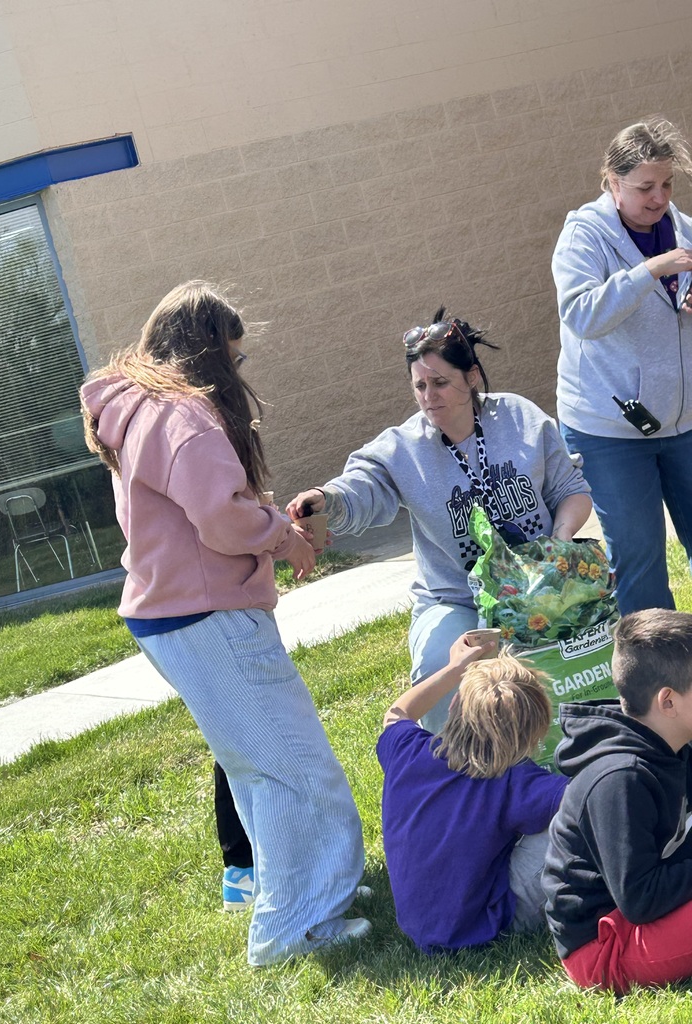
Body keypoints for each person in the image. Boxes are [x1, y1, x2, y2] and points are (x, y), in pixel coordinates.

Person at [79, 280, 368, 966]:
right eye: (232, 359)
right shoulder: (181, 415)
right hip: (209, 615)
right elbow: (221, 519)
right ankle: (294, 927)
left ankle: (292, 913)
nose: (238, 374)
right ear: (206, 352)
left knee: (260, 770)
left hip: (172, 618)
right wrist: (282, 536)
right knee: (300, 770)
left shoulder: (137, 408)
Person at [287, 308, 592, 733]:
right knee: (438, 670)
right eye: (420, 385)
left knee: (576, 673)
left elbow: (571, 490)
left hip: (538, 585)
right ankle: (453, 777)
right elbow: (363, 486)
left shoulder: (520, 419)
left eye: (440, 382)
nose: (429, 395)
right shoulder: (404, 448)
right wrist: (326, 498)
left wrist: (555, 544)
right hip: (455, 599)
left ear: (470, 378)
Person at [552, 116, 692, 615]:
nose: (659, 198)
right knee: (639, 560)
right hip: (609, 431)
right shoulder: (583, 237)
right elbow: (582, 314)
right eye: (645, 187)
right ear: (612, 182)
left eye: (668, 184)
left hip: (685, 423)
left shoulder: (683, 230)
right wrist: (650, 270)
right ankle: (659, 683)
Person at [378, 633, 567, 952]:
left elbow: (396, 713)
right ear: (532, 737)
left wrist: (455, 668)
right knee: (572, 821)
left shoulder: (407, 752)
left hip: (419, 927)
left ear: (454, 704)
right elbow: (593, 795)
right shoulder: (514, 781)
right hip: (487, 925)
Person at [543, 609, 692, 993]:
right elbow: (640, 898)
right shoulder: (619, 778)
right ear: (669, 702)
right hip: (604, 944)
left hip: (647, 912)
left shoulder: (674, 742)